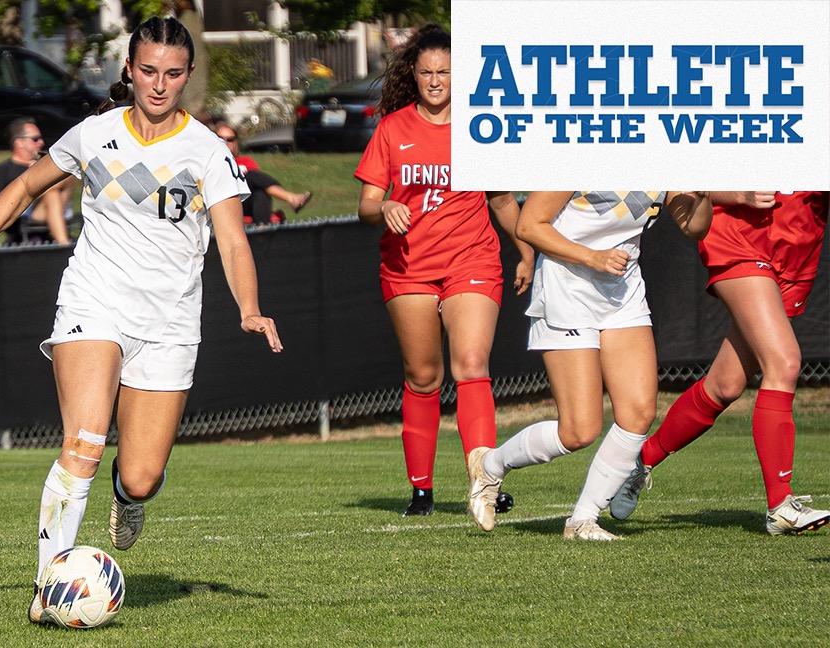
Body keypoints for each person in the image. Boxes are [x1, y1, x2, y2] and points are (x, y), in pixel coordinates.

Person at [0, 16, 282, 625]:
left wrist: (249, 307)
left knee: (141, 473)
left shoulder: (208, 151)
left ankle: (127, 497)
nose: (159, 85)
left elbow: (234, 242)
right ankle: (47, 586)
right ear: (129, 70)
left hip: (169, 321)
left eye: (173, 74)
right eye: (149, 71)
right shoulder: (94, 133)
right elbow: (27, 184)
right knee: (83, 439)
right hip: (94, 300)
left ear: (186, 77)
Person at [353, 24, 534, 517]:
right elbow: (366, 205)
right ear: (414, 73)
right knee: (424, 376)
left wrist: (526, 250)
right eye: (427, 72)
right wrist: (385, 204)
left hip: (471, 260)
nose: (436, 81)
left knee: (472, 364)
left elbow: (501, 201)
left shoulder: (480, 128)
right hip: (408, 267)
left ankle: (485, 478)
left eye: (446, 73)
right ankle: (422, 490)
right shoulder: (392, 130)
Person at [467, 191, 712, 540]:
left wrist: (701, 194)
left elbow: (694, 227)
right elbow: (529, 225)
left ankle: (583, 520)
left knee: (638, 414)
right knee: (579, 430)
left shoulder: (666, 154)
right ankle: (490, 465)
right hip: (567, 286)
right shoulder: (583, 147)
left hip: (622, 291)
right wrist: (592, 258)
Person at [609, 191, 830, 536]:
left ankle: (640, 460)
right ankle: (781, 506)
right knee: (783, 363)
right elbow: (691, 179)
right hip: (739, 236)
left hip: (797, 244)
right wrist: (738, 193)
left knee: (725, 385)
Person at [0, 117, 74, 245]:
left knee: (63, 181)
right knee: (52, 195)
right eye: (35, 139)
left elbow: (67, 178)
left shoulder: (42, 164)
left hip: (52, 208)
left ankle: (62, 243)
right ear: (19, 143)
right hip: (22, 214)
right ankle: (64, 245)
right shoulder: (3, 170)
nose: (41, 142)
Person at [213, 122, 311, 225]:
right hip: (225, 204)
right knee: (249, 175)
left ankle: (262, 233)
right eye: (220, 139)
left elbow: (259, 184)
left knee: (260, 191)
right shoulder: (211, 163)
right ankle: (291, 198)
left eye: (230, 139)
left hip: (246, 203)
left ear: (236, 142)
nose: (225, 143)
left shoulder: (246, 161)